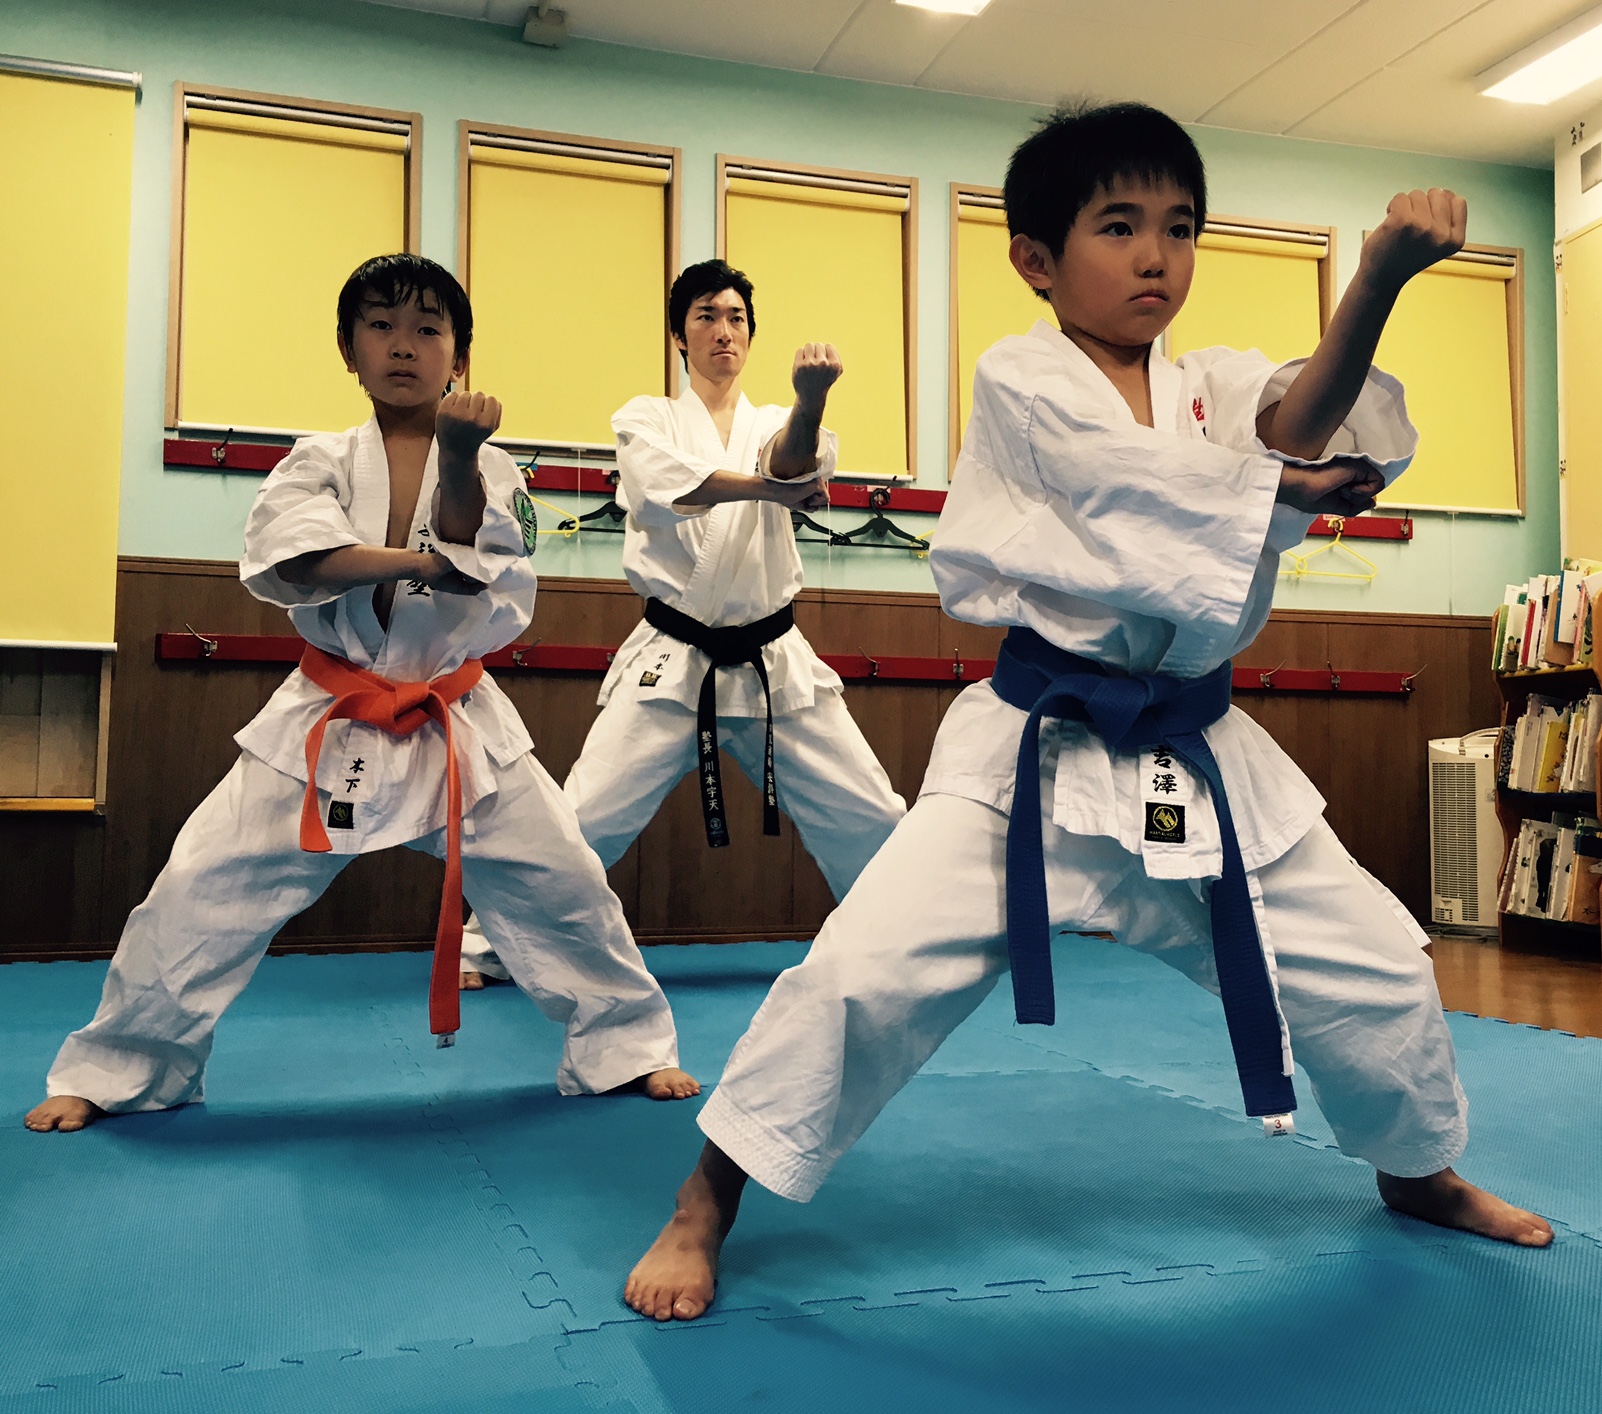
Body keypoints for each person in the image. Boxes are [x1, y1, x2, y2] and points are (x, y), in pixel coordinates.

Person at [622, 103, 1553, 1322]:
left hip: (1195, 754)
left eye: (1180, 226)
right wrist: (1284, 486)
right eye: (1119, 226)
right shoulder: (1022, 379)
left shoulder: (1211, 386)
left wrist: (1376, 278)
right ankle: (706, 1196)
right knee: (862, 974)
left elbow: (1297, 420)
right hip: (1037, 752)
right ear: (1036, 259)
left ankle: (1416, 1169)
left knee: (1374, 961)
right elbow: (1133, 484)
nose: (1156, 255)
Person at [26, 253, 697, 1134]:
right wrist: (424, 561)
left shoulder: (495, 471)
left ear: (460, 357)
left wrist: (459, 457)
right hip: (332, 711)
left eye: (427, 329)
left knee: (564, 883)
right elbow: (306, 560)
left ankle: (628, 1046)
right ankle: (119, 1066)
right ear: (349, 350)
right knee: (200, 886)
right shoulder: (319, 460)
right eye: (380, 326)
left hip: (455, 715)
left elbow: (479, 565)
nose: (403, 345)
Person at [457, 259, 906, 988]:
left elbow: (794, 460)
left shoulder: (778, 420)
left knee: (868, 810)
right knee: (585, 815)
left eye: (736, 317)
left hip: (772, 658)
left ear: (750, 335)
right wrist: (773, 490)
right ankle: (489, 946)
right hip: (674, 657)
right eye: (706, 316)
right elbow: (672, 486)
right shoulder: (646, 419)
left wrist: (811, 400)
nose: (723, 330)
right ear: (679, 336)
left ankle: (905, 943)